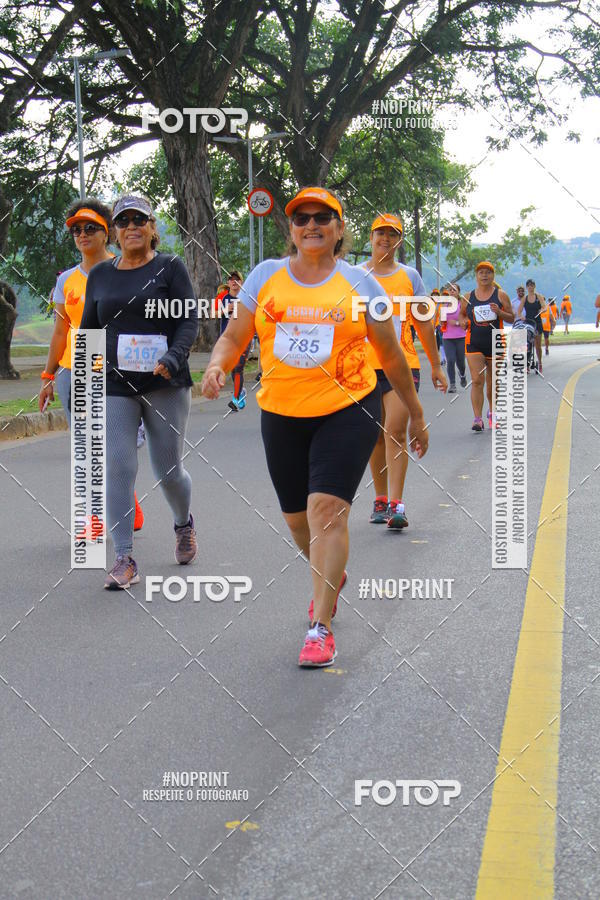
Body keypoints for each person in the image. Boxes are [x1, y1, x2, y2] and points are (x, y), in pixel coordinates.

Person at [201, 187, 428, 667]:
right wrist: (217, 365)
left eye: (323, 217)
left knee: (326, 511)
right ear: (291, 228)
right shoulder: (265, 277)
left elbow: (390, 355)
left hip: (349, 407)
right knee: (297, 520)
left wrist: (416, 412)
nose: (311, 225)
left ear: (339, 229)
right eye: (301, 218)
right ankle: (330, 573)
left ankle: (320, 626)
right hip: (282, 413)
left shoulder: (362, 285)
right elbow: (234, 336)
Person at [80, 195, 199, 589]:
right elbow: (89, 331)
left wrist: (174, 357)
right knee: (118, 465)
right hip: (116, 385)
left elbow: (188, 321)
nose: (131, 226)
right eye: (123, 221)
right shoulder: (100, 274)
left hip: (164, 382)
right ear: (115, 232)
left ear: (152, 227)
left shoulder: (170, 267)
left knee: (168, 471)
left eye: (139, 220)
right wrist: (88, 379)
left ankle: (183, 524)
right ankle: (124, 557)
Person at [38, 199, 144, 534]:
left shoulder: (126, 270)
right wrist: (48, 376)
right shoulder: (66, 280)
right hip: (75, 368)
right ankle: (94, 518)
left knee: (116, 447)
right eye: (76, 230)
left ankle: (125, 497)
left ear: (106, 231)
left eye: (90, 228)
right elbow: (60, 331)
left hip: (114, 369)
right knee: (85, 447)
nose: (82, 234)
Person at [362, 213, 446, 529]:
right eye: (380, 233)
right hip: (364, 367)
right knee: (375, 435)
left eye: (392, 234)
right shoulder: (354, 276)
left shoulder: (410, 277)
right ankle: (380, 499)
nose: (386, 239)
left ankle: (397, 505)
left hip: (403, 364)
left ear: (399, 241)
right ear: (371, 237)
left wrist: (435, 365)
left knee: (395, 430)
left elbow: (424, 322)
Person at [459, 261, 514, 431]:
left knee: (493, 381)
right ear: (476, 276)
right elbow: (462, 315)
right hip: (474, 342)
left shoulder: (501, 295)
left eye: (488, 272)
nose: (484, 275)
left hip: (495, 342)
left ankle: (493, 413)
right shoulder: (468, 297)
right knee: (477, 380)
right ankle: (477, 419)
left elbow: (512, 318)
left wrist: (499, 312)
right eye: (481, 272)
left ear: (493, 276)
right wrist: (463, 322)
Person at [441, 283, 467, 393]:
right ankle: (452, 384)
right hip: (447, 337)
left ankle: (462, 375)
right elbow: (442, 322)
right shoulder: (445, 305)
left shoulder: (462, 305)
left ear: (458, 292)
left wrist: (456, 323)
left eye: (454, 290)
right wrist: (442, 322)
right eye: (450, 290)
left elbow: (466, 320)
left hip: (461, 336)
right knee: (450, 360)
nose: (452, 291)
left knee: (460, 362)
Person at [518, 279, 545, 373]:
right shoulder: (524, 298)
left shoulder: (538, 296)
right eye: (529, 285)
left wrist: (542, 310)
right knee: (527, 345)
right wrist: (521, 316)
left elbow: (544, 307)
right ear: (527, 287)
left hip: (537, 322)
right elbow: (519, 311)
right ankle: (527, 363)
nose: (530, 287)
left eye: (532, 285)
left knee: (538, 345)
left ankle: (540, 362)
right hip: (528, 323)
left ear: (534, 286)